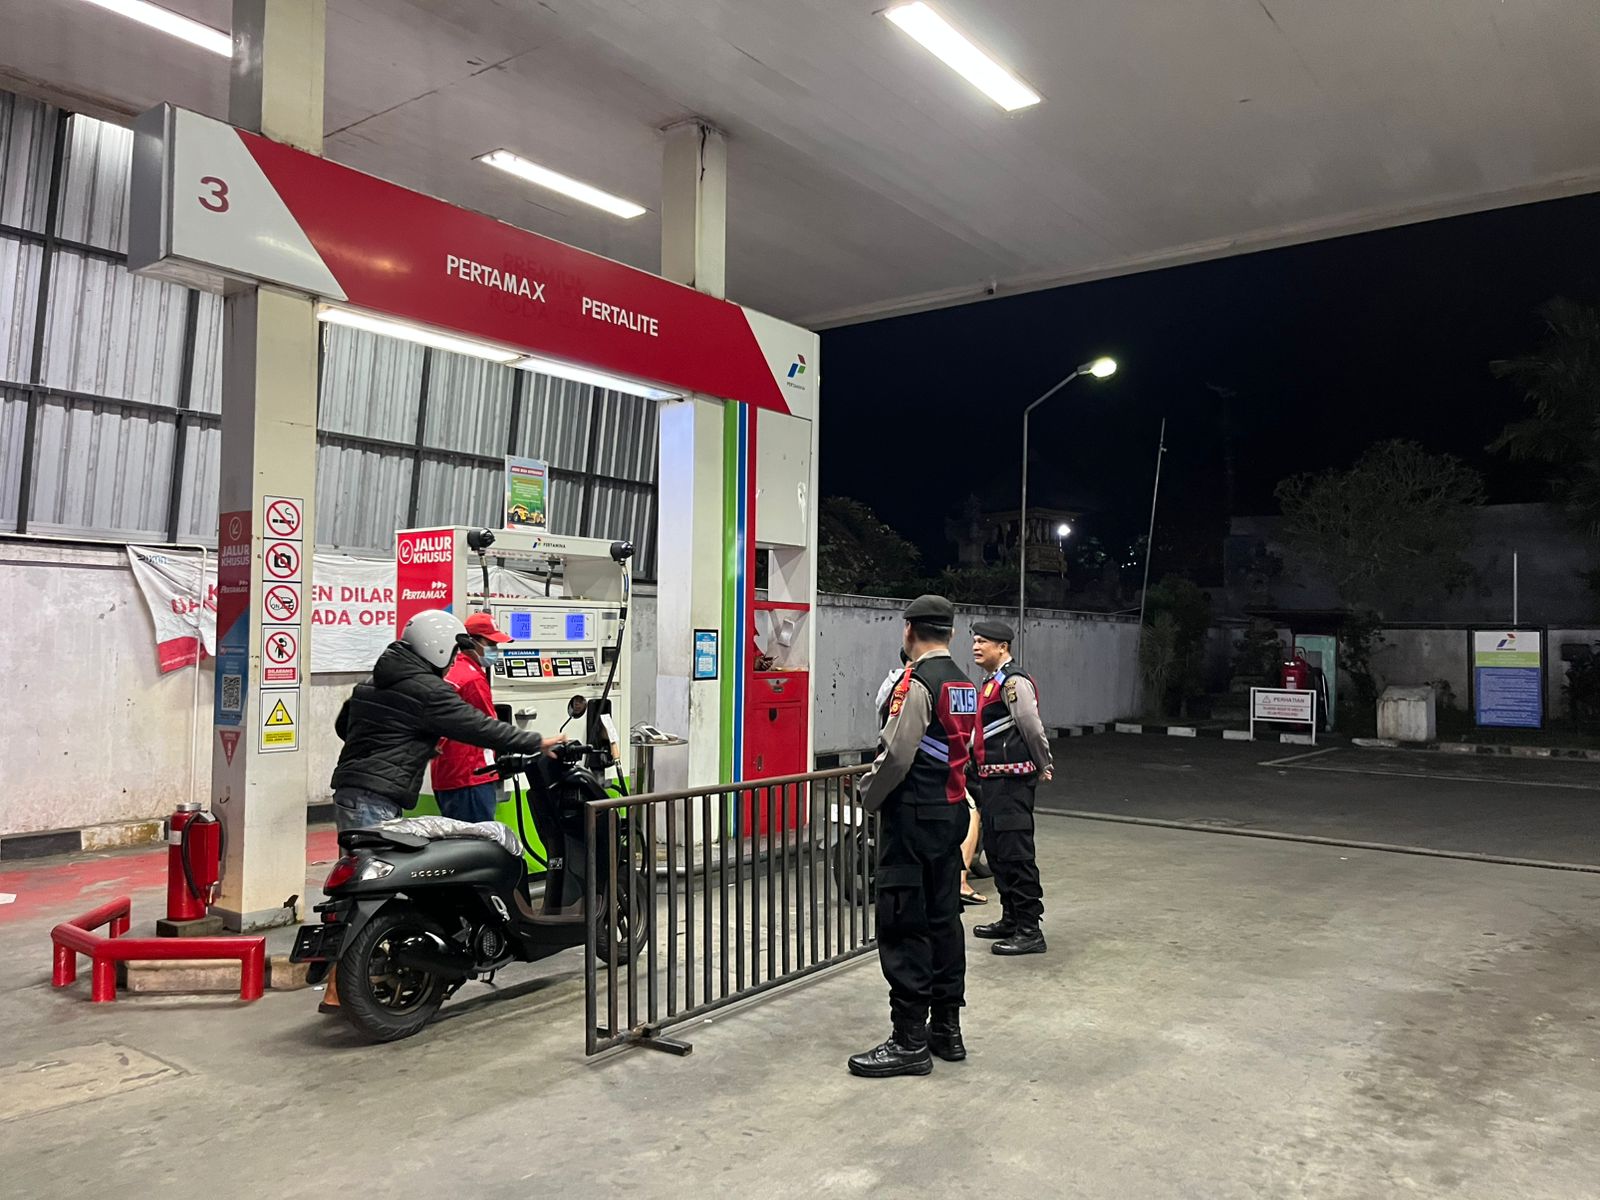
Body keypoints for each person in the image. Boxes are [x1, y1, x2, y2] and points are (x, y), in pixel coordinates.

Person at [848, 595, 978, 1079]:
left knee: (904, 923)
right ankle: (946, 1029)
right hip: (949, 814)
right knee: (944, 921)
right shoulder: (963, 683)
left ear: (909, 630)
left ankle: (908, 1041)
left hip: (913, 818)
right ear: (951, 633)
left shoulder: (917, 682)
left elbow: (897, 755)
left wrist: (868, 796)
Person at [329, 609, 562, 833]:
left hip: (351, 790)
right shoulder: (428, 690)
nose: (454, 660)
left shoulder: (373, 681)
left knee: (362, 857)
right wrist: (535, 742)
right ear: (438, 648)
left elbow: (345, 727)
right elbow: (478, 726)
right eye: (453, 651)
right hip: (376, 796)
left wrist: (411, 744)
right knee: (374, 859)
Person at [969, 619, 1053, 956]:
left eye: (982, 642)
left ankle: (1030, 929)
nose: (975, 647)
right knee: (998, 852)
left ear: (1002, 647)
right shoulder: (991, 682)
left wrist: (1044, 762)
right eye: (974, 641)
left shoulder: (1013, 681)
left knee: (1016, 854)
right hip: (991, 780)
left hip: (1011, 781)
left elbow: (1031, 726)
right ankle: (1011, 918)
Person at [430, 611, 514, 823]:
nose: (494, 649)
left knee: (457, 837)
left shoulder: (452, 670)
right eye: (490, 643)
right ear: (470, 642)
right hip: (471, 775)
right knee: (477, 838)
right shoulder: (472, 679)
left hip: (448, 773)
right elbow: (489, 728)